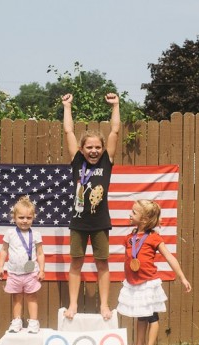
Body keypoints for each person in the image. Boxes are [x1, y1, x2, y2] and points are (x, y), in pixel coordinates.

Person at [61, 92, 120, 320]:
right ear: (82, 149)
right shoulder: (77, 161)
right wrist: (67, 106)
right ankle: (73, 304)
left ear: (103, 149)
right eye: (89, 148)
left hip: (100, 223)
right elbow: (68, 131)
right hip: (78, 222)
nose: (94, 151)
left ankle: (104, 305)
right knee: (76, 263)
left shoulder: (106, 161)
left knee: (102, 264)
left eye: (97, 147)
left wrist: (115, 105)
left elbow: (114, 131)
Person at [117, 199, 192, 345]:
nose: (130, 214)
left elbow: (169, 257)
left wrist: (182, 277)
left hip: (148, 284)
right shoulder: (130, 238)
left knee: (152, 316)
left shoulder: (154, 238)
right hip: (134, 284)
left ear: (144, 219)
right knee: (140, 316)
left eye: (134, 212)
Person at [0, 196, 46, 333]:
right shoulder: (10, 233)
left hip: (31, 273)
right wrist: (1, 267)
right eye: (21, 217)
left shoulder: (36, 234)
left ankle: (34, 322)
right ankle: (17, 321)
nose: (25, 221)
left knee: (32, 297)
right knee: (16, 298)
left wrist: (42, 270)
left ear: (33, 217)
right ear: (14, 217)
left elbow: (40, 253)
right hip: (14, 273)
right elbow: (3, 250)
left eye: (28, 218)